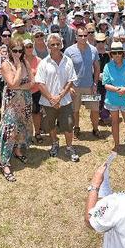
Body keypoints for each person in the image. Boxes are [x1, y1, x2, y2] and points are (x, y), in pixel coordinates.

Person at [0, 39, 34, 182]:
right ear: (9, 51)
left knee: (21, 127)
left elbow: (32, 83)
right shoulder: (5, 65)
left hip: (25, 100)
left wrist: (20, 86)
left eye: (20, 50)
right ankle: (4, 162)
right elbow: (12, 83)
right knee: (9, 130)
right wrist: (18, 67)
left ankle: (17, 151)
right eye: (14, 50)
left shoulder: (26, 62)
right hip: (11, 103)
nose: (17, 53)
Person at [35, 33, 79, 161]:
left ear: (62, 44)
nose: (55, 46)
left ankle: (69, 147)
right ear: (48, 46)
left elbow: (70, 80)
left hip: (65, 100)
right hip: (48, 101)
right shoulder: (43, 63)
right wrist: (51, 99)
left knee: (69, 124)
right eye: (52, 44)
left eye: (58, 44)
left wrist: (59, 97)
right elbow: (40, 83)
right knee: (50, 125)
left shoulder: (68, 61)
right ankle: (55, 143)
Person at [65, 27, 101, 139]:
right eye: (80, 35)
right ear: (76, 37)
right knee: (75, 110)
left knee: (95, 110)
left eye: (85, 35)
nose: (83, 38)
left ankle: (95, 129)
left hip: (90, 86)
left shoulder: (93, 50)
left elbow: (97, 68)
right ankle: (76, 128)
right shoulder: (69, 51)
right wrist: (69, 86)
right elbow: (65, 70)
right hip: (75, 87)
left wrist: (95, 84)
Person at [23, 39, 43, 142]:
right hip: (23, 91)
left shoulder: (38, 60)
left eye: (30, 46)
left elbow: (40, 76)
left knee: (36, 112)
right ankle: (27, 134)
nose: (29, 49)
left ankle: (37, 133)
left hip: (35, 91)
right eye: (27, 47)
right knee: (25, 114)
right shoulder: (20, 60)